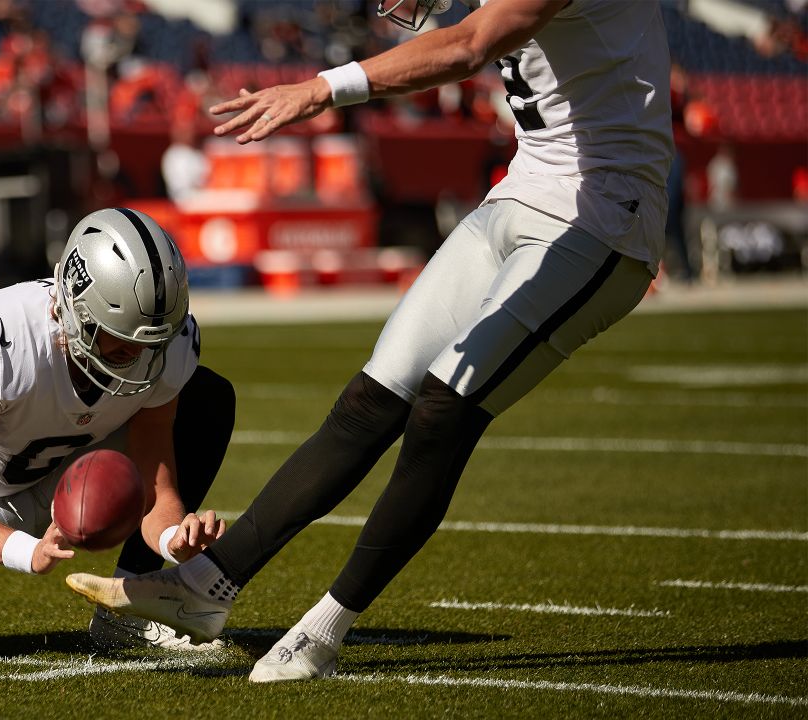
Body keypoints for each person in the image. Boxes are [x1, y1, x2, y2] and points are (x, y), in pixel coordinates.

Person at [67, 0, 674, 683]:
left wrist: (324, 86)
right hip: (524, 190)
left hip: (604, 219)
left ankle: (325, 629)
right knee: (370, 396)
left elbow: (470, 44)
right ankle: (206, 585)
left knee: (445, 405)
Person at [0, 207, 234, 662]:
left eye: (152, 343)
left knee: (206, 398)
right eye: (122, 341)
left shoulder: (166, 346)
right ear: (75, 311)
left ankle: (128, 612)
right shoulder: (0, 336)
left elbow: (155, 483)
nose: (140, 357)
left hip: (67, 472)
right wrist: (26, 550)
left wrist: (173, 538)